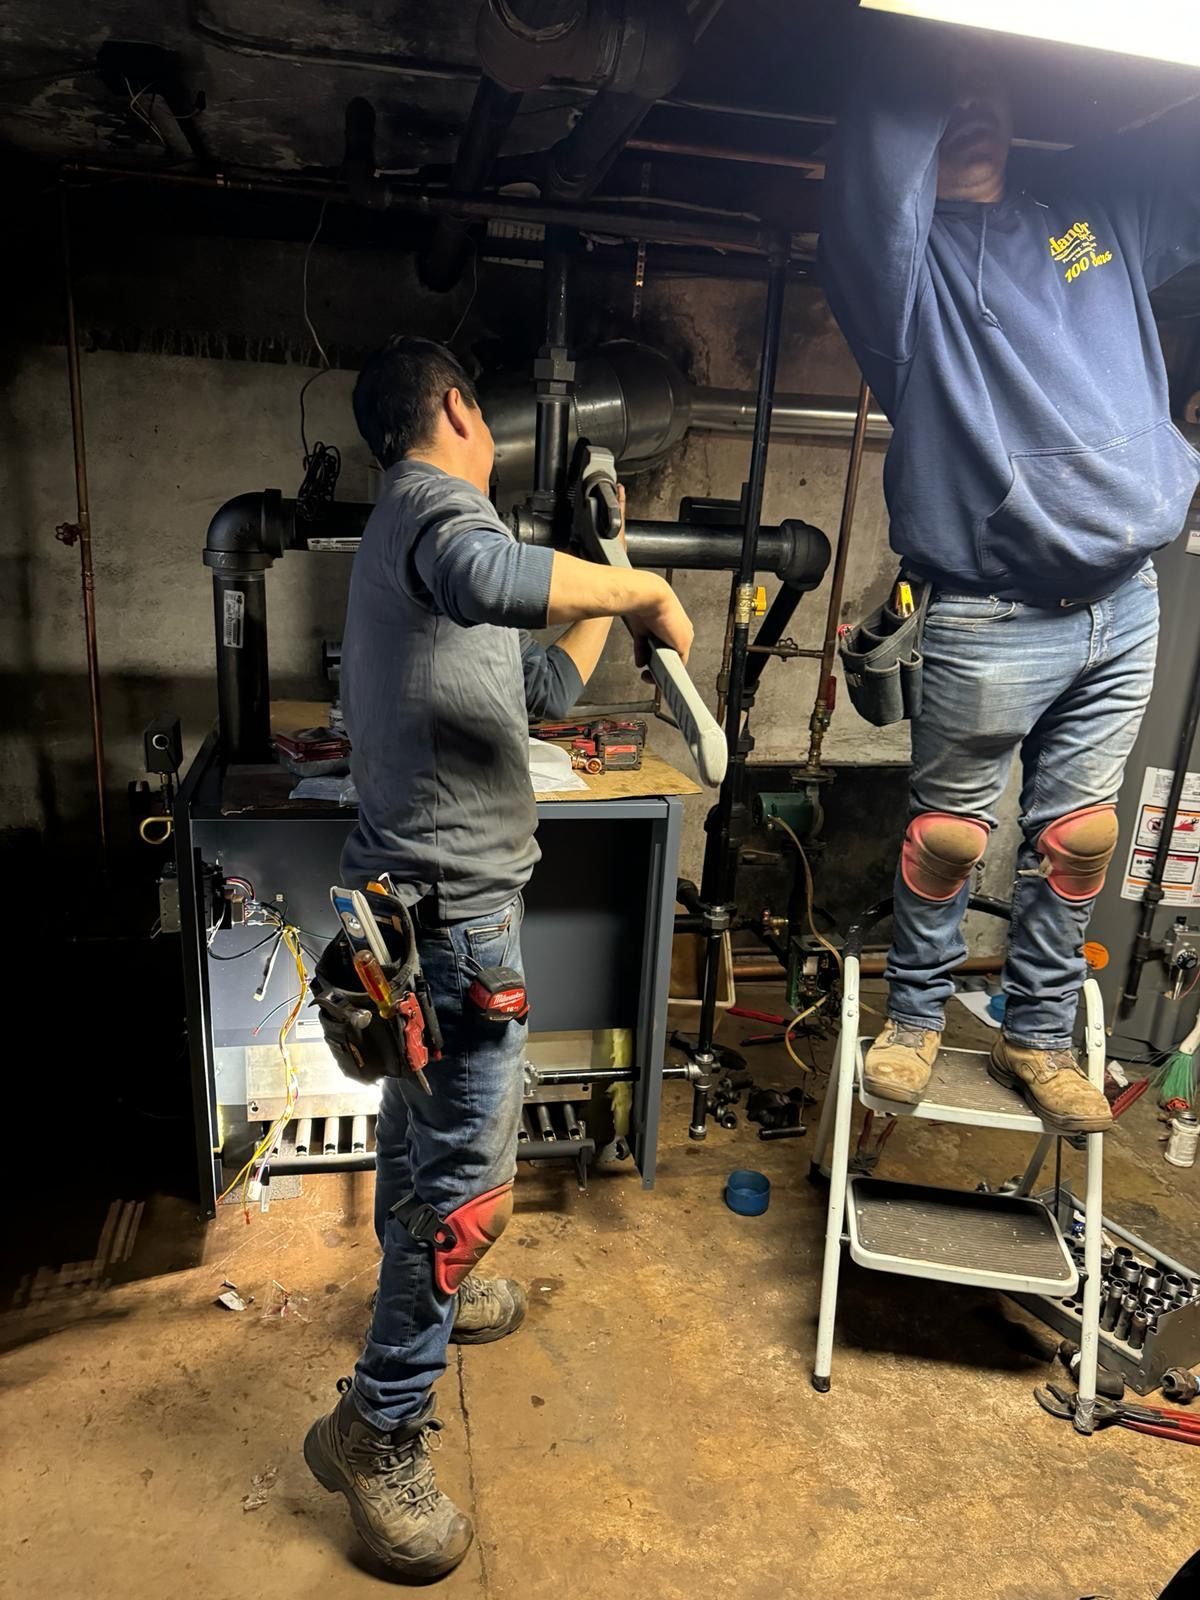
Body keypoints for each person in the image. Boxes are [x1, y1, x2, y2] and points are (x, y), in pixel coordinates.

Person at [303, 336, 694, 1580]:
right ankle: (376, 1430)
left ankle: (428, 1294)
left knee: (425, 1147)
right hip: (453, 924)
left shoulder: (412, 544)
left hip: (422, 916)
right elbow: (490, 570)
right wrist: (635, 596)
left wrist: (611, 575)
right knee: (469, 1192)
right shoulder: (437, 511)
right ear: (461, 406)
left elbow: (523, 683)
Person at [820, 32, 1200, 1131]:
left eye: (986, 86)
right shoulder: (902, 275)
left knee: (1080, 837)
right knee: (949, 838)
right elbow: (877, 162)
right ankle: (917, 1017)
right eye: (948, 95)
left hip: (1126, 602)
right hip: (991, 614)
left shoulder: (1088, 216)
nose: (969, 105)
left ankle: (1036, 1037)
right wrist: (920, 60)